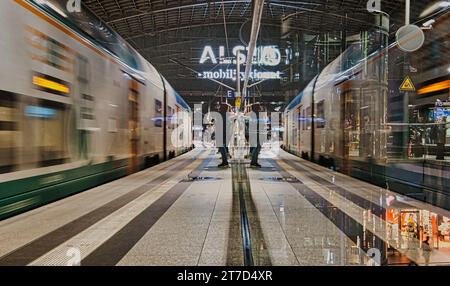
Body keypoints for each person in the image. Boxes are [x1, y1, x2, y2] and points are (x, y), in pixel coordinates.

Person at [216, 102, 229, 167]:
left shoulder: (221, 114)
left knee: (221, 147)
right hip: (225, 132)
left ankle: (225, 161)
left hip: (221, 132)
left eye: (220, 106)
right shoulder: (226, 114)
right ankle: (225, 161)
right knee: (222, 147)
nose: (219, 107)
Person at [249, 104, 262, 168]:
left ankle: (254, 161)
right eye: (258, 107)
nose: (260, 108)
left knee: (256, 147)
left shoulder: (252, 114)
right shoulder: (255, 114)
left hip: (253, 133)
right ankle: (254, 162)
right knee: (257, 147)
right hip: (256, 133)